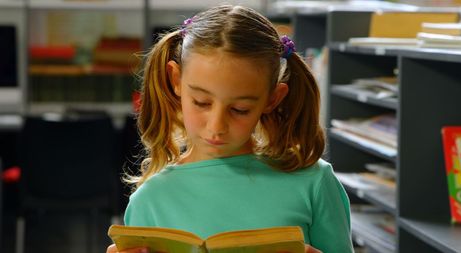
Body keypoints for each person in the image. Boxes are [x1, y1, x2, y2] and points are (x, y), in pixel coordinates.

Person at [107, 5, 353, 253]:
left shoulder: (313, 183)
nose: (216, 127)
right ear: (176, 81)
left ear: (272, 99)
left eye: (240, 109)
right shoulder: (151, 198)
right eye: (201, 103)